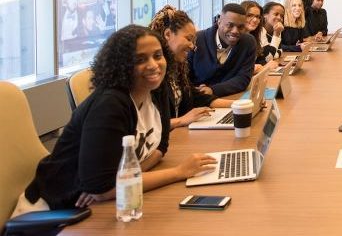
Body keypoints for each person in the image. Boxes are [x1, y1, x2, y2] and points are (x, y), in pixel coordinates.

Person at [16, 25, 215, 213]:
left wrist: (123, 180)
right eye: (140, 60)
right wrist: (178, 172)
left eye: (157, 56)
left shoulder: (155, 88)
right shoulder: (110, 104)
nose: (154, 65)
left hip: (102, 205)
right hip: (57, 211)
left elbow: (161, 147)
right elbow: (102, 188)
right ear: (122, 65)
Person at [149, 6, 238, 129]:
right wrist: (181, 121)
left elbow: (197, 97)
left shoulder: (177, 70)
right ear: (168, 34)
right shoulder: (152, 75)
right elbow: (147, 126)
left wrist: (238, 104)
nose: (192, 46)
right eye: (188, 39)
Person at [188, 3, 257, 97]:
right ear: (219, 21)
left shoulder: (248, 42)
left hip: (231, 97)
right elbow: (185, 77)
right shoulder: (197, 39)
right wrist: (197, 92)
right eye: (230, 25)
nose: (235, 31)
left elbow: (243, 78)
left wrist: (213, 90)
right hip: (198, 99)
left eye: (240, 27)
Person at [240, 1, 279, 75]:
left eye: (258, 17)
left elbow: (265, 58)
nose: (255, 20)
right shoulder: (234, 38)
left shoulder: (253, 37)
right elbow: (236, 70)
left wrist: (260, 67)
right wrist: (264, 68)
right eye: (249, 15)